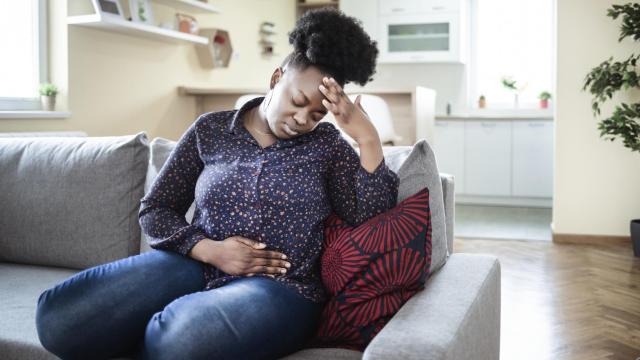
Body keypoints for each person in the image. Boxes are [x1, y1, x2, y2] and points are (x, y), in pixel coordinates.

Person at [34, 7, 399, 360]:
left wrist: (367, 138)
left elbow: (368, 215)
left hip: (282, 289)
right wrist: (210, 250)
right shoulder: (210, 130)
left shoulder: (327, 146)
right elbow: (156, 210)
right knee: (58, 318)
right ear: (276, 78)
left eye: (317, 114)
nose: (302, 119)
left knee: (179, 341)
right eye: (298, 101)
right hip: (192, 266)